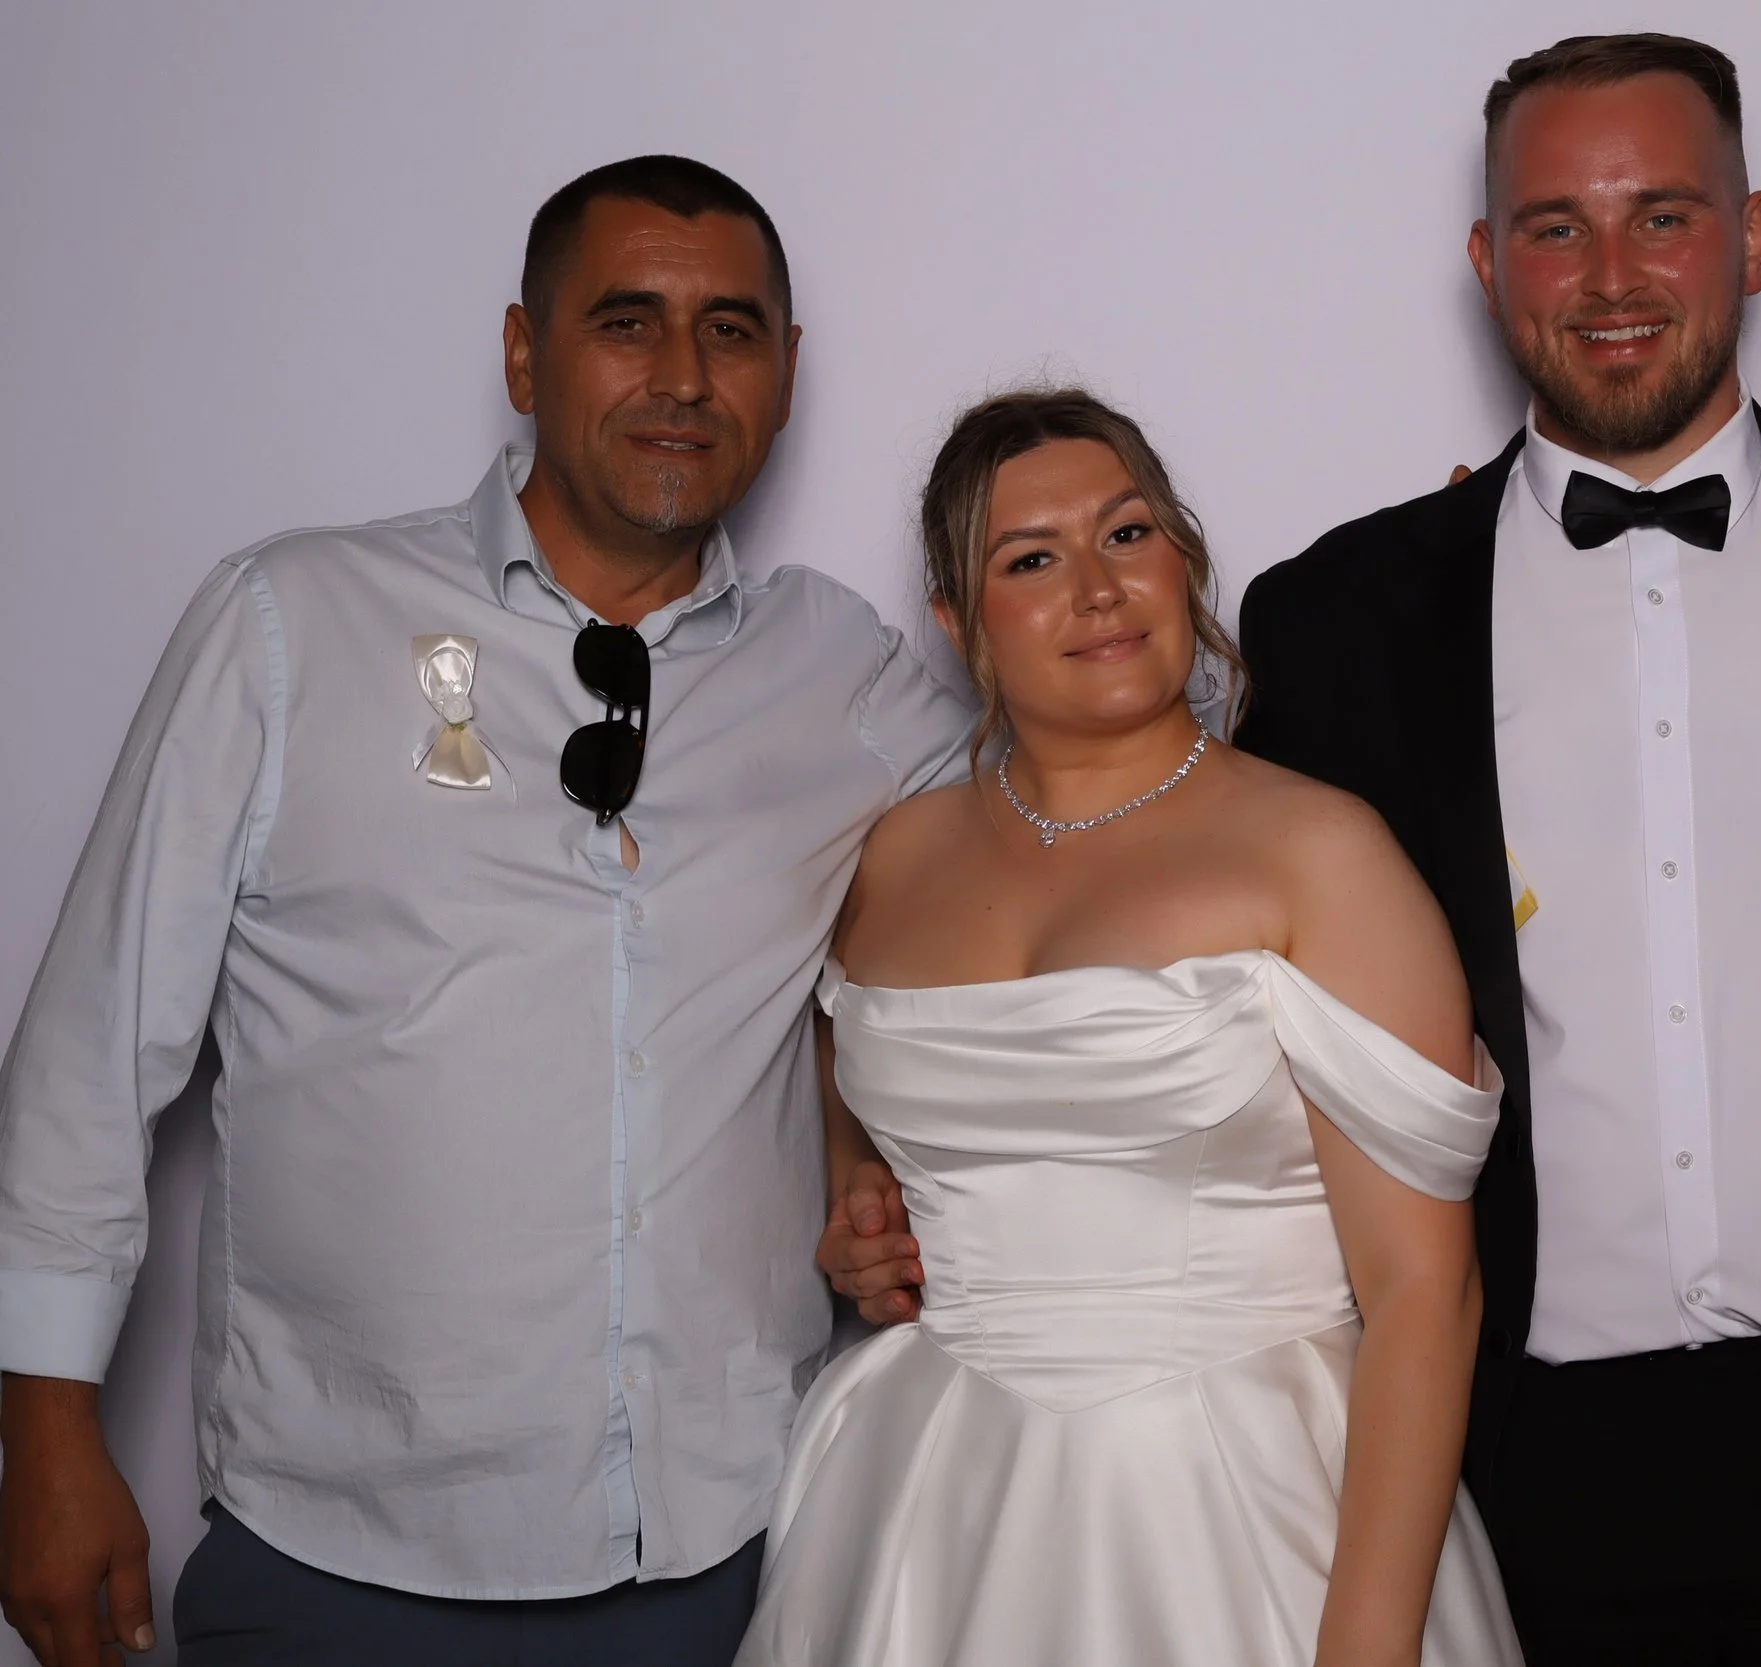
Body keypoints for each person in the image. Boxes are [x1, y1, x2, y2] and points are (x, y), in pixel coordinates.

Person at [0, 156, 966, 1667]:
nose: (682, 374)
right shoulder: (290, 621)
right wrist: (45, 1435)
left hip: (727, 1547)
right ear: (525, 353)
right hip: (340, 1544)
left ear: (784, 372)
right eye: (626, 322)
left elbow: (1073, 825)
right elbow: (88, 1052)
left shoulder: (842, 675)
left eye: (730, 331)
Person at [1227, 31, 1761, 1663]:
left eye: (1663, 216)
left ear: (1753, 236)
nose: (1610, 276)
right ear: (1487, 262)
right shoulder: (1337, 621)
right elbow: (1236, 999)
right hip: (1510, 1471)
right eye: (1556, 226)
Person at [736, 388, 1522, 1667]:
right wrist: (858, 1215)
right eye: (1030, 559)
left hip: (1248, 1511)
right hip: (928, 1502)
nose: (1097, 589)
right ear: (956, 620)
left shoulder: (1321, 851)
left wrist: (1367, 1644)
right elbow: (865, 1127)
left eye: (1127, 533)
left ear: (1183, 559)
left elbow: (1426, 1292)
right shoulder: (888, 858)